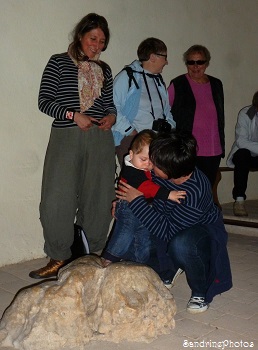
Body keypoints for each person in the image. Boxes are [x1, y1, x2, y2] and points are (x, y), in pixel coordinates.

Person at [29, 13, 117, 279]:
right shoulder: (58, 62)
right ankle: (59, 256)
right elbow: (44, 101)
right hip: (67, 135)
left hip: (100, 138)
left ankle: (92, 255)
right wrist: (72, 114)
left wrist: (111, 116)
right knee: (57, 199)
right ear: (80, 36)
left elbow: (110, 104)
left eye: (102, 41)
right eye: (93, 38)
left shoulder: (105, 70)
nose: (97, 45)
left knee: (99, 198)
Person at [116, 130, 232, 314]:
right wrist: (123, 204)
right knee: (135, 242)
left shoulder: (195, 192)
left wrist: (136, 202)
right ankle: (169, 268)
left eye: (155, 163)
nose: (151, 165)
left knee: (181, 244)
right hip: (167, 221)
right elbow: (139, 188)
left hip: (200, 232)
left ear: (169, 172)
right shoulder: (163, 172)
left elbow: (168, 232)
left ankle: (199, 291)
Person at [101, 130, 186, 279]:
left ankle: (139, 264)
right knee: (125, 232)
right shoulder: (131, 171)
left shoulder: (143, 167)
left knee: (143, 239)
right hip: (128, 207)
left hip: (143, 209)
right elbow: (147, 187)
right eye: (143, 159)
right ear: (131, 155)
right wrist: (169, 194)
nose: (147, 164)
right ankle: (109, 257)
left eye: (151, 161)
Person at [112, 37, 176, 166]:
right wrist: (130, 131)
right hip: (132, 140)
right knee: (134, 181)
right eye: (164, 57)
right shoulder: (128, 76)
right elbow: (113, 106)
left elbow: (166, 109)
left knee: (154, 183)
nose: (166, 62)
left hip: (157, 141)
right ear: (153, 57)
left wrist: (170, 125)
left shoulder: (158, 80)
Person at [168, 45, 225, 188]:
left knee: (207, 187)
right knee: (189, 188)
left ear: (206, 64)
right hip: (188, 148)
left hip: (213, 148)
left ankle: (205, 210)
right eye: (191, 62)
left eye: (199, 62)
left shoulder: (216, 84)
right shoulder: (178, 84)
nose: (195, 66)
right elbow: (164, 111)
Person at [227, 91, 258, 216]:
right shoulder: (245, 113)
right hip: (245, 156)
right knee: (242, 154)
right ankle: (239, 200)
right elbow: (241, 141)